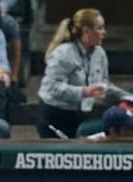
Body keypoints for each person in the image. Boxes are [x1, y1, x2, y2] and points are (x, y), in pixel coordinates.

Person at [36, 8, 128, 139]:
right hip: (54, 115)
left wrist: (126, 97)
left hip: (80, 113)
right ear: (86, 31)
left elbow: (103, 85)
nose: (104, 33)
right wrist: (84, 92)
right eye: (100, 28)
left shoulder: (99, 53)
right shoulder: (63, 53)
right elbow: (53, 87)